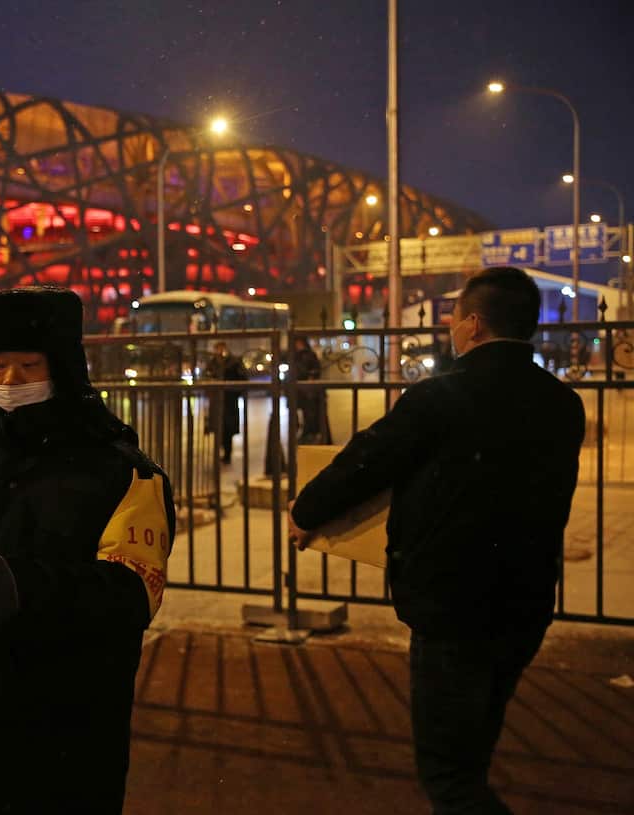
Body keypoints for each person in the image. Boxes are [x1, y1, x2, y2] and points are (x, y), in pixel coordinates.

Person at [288, 267, 585, 814]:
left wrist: (306, 512)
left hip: (454, 605)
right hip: (527, 600)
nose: (450, 327)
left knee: (449, 776)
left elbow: (367, 461)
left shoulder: (440, 397)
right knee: (474, 746)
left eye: (453, 317)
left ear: (473, 324)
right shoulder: (563, 404)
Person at [0, 287, 176, 814]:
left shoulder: (119, 469)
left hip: (70, 732)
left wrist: (27, 589)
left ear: (63, 367)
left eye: (29, 365)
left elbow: (135, 592)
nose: (11, 380)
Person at [208, 341, 248, 464]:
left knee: (228, 429)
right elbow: (207, 376)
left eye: (221, 348)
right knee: (218, 428)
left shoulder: (234, 362)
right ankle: (220, 452)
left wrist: (235, 392)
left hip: (229, 400)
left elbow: (243, 379)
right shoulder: (213, 362)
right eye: (217, 348)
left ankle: (227, 454)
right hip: (217, 401)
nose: (219, 351)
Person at [292, 335, 330, 443]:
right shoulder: (294, 355)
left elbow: (315, 370)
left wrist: (311, 378)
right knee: (305, 413)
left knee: (313, 414)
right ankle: (308, 434)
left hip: (310, 391)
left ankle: (313, 435)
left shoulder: (309, 355)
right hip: (300, 390)